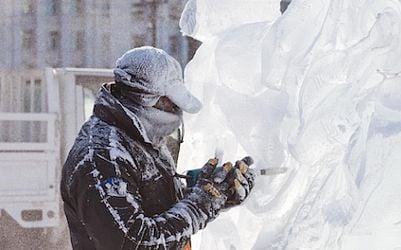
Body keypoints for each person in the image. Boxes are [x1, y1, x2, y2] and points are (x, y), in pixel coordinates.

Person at [60, 46, 256, 250]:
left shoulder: (138, 139)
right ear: (145, 99)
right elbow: (133, 242)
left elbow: (150, 201)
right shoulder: (102, 158)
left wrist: (211, 190)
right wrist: (200, 206)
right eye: (171, 103)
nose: (176, 111)